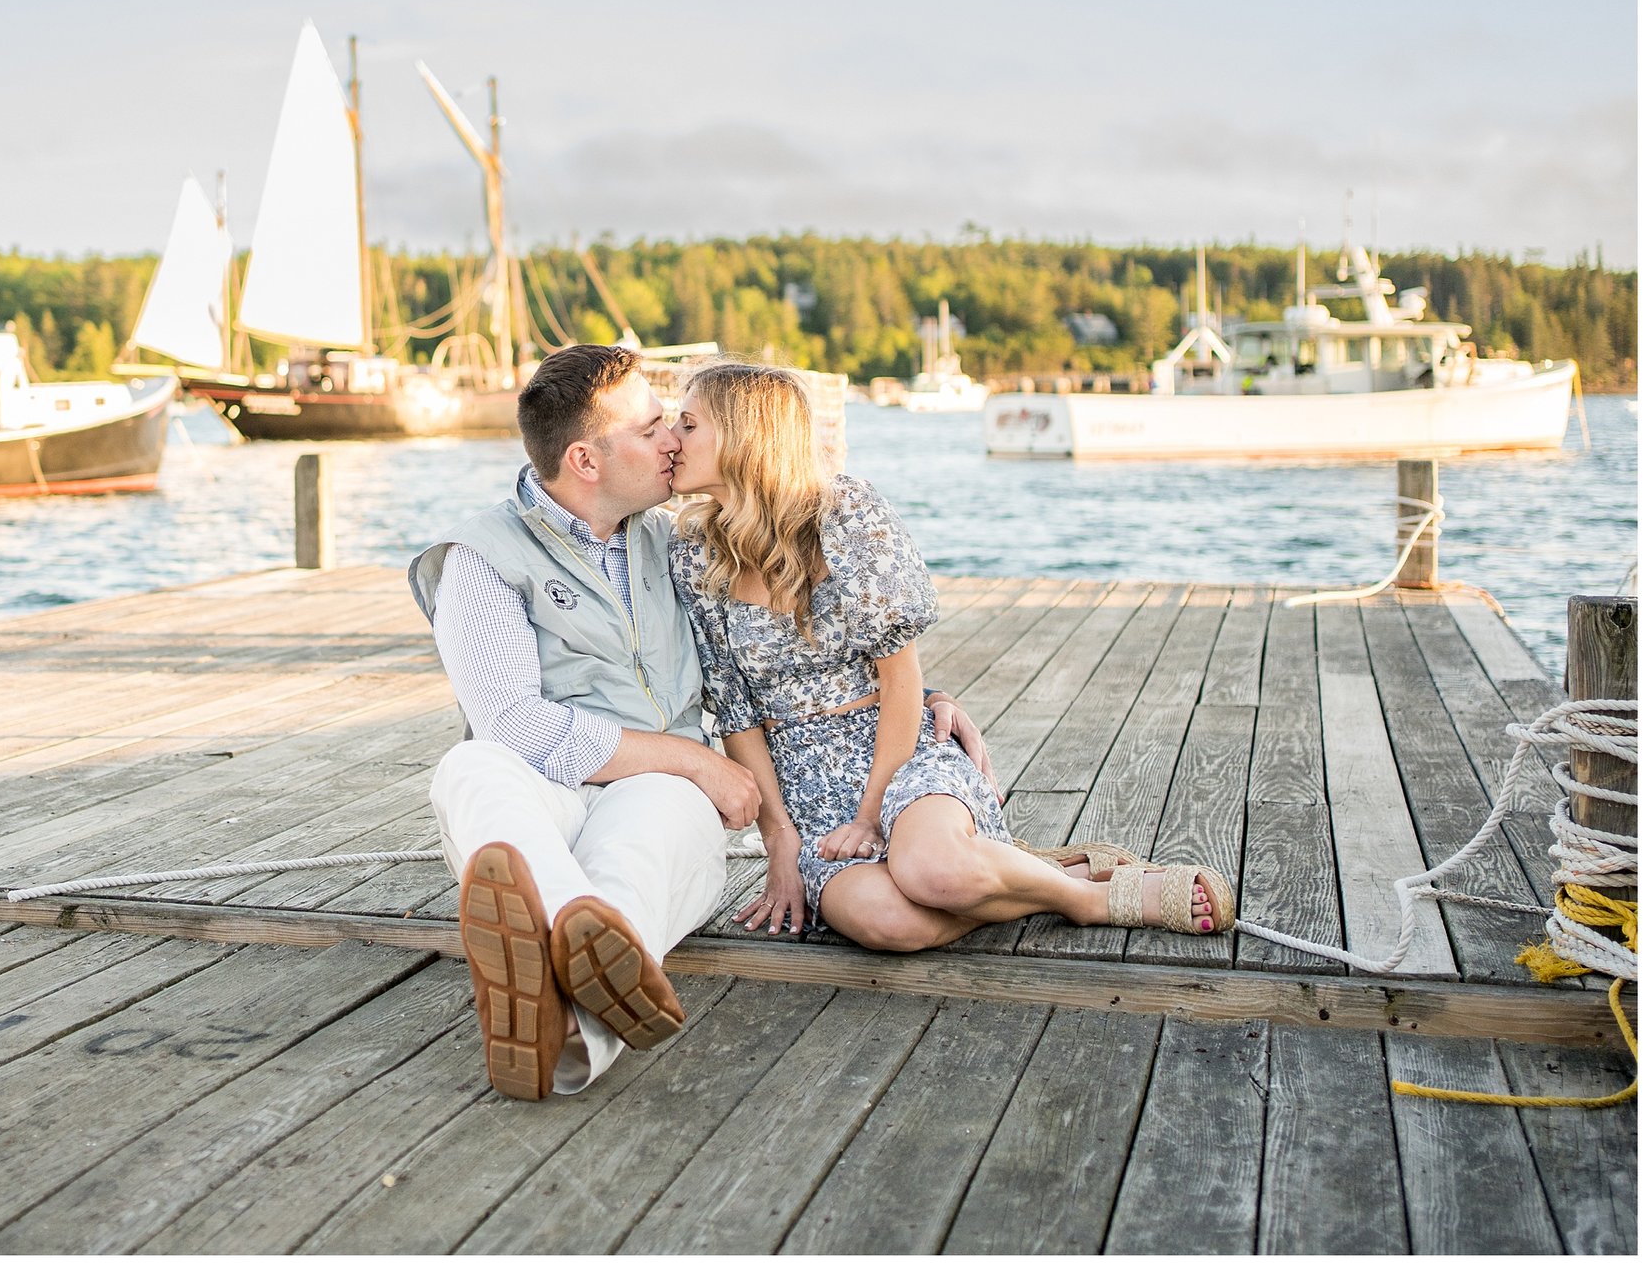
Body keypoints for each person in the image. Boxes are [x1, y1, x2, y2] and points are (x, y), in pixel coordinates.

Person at [410, 344, 994, 1101]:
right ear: (587, 459)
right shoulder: (481, 559)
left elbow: (794, 636)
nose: (671, 441)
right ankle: (570, 973)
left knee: (642, 851)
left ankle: (559, 1015)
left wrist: (926, 692)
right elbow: (514, 725)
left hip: (656, 789)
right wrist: (698, 761)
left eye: (675, 425)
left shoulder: (684, 544)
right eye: (653, 427)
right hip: (553, 781)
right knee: (470, 769)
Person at [666, 361, 1236, 950]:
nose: (670, 439)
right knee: (888, 922)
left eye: (687, 424)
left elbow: (901, 680)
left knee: (930, 871)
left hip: (894, 747)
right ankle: (1030, 872)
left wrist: (870, 814)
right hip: (803, 787)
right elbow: (735, 714)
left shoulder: (846, 515)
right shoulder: (692, 553)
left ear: (743, 436)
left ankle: (1086, 899)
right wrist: (781, 840)